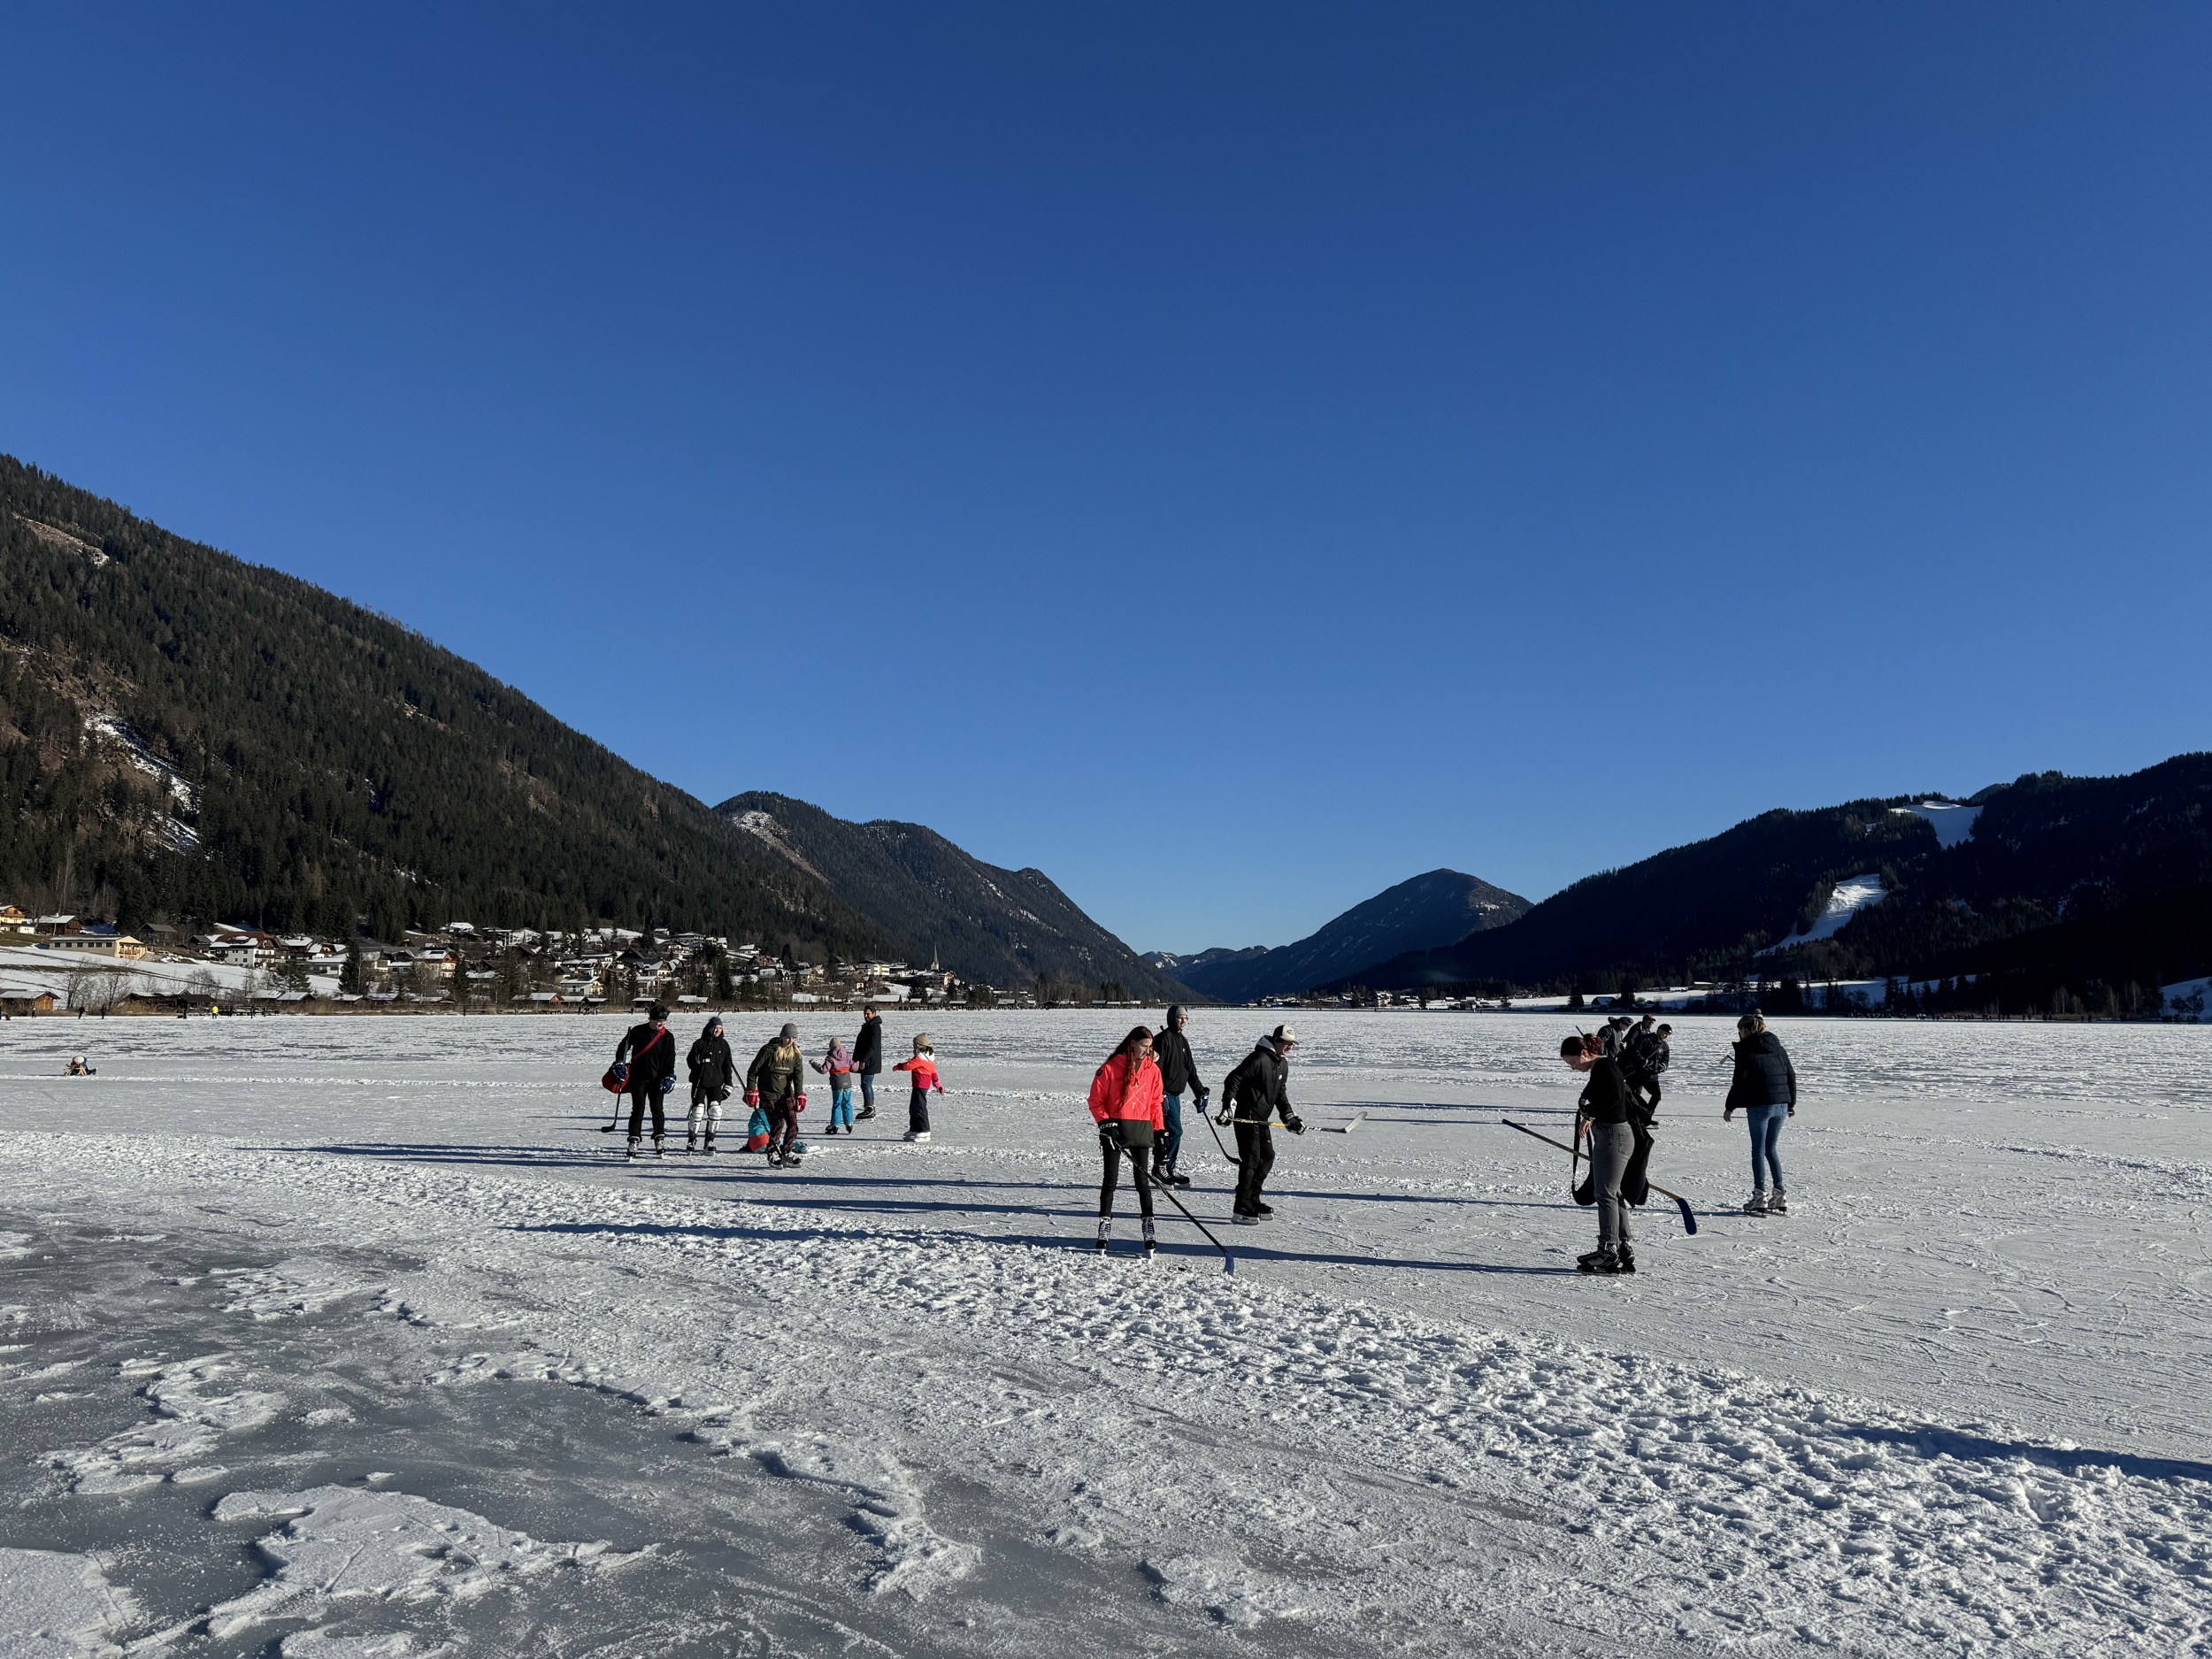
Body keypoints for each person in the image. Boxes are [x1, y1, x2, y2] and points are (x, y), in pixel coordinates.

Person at [1562, 1033, 1636, 1275]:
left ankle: (1608, 1249)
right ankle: (1623, 1245)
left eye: (1572, 1062)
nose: (1573, 1068)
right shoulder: (1602, 1067)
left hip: (1614, 1136)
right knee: (1614, 1193)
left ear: (1584, 1054)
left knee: (1605, 1193)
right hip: (1613, 1135)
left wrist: (1591, 1116)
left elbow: (1616, 1097)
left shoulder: (1604, 1066)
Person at [1088, 1025, 1164, 1255]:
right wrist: (1105, 1123)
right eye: (1144, 1046)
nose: (1147, 1051)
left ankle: (1148, 1226)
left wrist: (1160, 1132)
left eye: (1150, 1047)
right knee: (1110, 1180)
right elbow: (1095, 1100)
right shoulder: (1111, 1068)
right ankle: (1104, 1227)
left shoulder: (1153, 1070)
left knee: (1142, 1182)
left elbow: (1155, 1103)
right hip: (1115, 1129)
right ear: (1132, 1043)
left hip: (1140, 1129)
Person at [1219, 1025, 1302, 1225]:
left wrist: (1289, 1117)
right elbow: (1234, 1078)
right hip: (1246, 1116)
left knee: (1267, 1156)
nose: (1289, 1047)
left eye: (1292, 1044)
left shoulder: (1282, 1064)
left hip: (1262, 1118)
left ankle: (1253, 1199)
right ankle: (1242, 1205)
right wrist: (1229, 1104)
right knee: (1252, 1158)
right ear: (1276, 1040)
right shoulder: (1259, 1059)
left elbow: (1280, 1093)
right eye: (1286, 1042)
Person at [1724, 1010, 1797, 1215]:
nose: (1739, 1035)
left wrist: (1730, 1106)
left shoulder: (1746, 1049)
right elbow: (1791, 1075)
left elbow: (1739, 1081)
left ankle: (1760, 1196)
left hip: (1760, 1105)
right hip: (1781, 1105)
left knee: (1758, 1150)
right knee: (1770, 1150)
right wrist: (1791, 1102)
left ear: (1745, 1030)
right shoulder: (1778, 1047)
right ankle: (1779, 1194)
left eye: (1739, 1030)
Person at [1150, 1004, 1209, 1187]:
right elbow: (1155, 1072)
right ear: (1171, 1018)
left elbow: (1190, 1070)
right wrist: (1160, 1095)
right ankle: (1159, 1167)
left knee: (1173, 1132)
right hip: (1164, 1096)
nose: (1183, 1021)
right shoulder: (1162, 1040)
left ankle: (1168, 1168)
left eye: (1186, 1018)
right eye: (1180, 1017)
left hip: (1175, 1095)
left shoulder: (1182, 1041)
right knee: (1173, 1132)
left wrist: (1200, 1092)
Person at [613, 1003, 677, 1159]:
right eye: (658, 1021)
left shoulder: (667, 1036)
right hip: (638, 1078)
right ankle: (634, 1140)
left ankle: (659, 1138)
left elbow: (670, 1059)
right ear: (651, 1019)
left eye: (664, 1021)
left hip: (658, 1079)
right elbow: (623, 1047)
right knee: (638, 1109)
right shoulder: (637, 1031)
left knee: (657, 1109)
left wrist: (670, 1076)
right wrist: (620, 1062)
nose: (661, 1024)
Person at [745, 1022, 810, 1167]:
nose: (791, 1041)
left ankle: (786, 1151)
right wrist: (751, 1090)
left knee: (793, 1124)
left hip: (786, 1095)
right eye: (788, 1038)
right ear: (782, 1037)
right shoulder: (768, 1050)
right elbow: (753, 1072)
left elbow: (798, 1077)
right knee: (778, 1123)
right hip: (768, 1095)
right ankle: (772, 1152)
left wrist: (800, 1094)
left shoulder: (796, 1054)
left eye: (794, 1038)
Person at [685, 1016, 736, 1154]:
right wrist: (700, 1058)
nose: (718, 1030)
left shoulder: (724, 1045)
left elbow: (728, 1066)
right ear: (709, 1028)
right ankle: (692, 1139)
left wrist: (728, 1085)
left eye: (720, 1028)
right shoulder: (699, 1043)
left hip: (716, 1084)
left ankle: (709, 1141)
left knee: (715, 1111)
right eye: (715, 1028)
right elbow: (690, 1062)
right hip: (700, 1083)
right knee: (698, 1111)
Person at [894, 1034, 943, 1141]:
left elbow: (909, 1065)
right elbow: (933, 1072)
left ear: (920, 1045)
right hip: (919, 1085)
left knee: (920, 1107)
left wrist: (899, 1066)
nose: (913, 1046)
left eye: (915, 1044)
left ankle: (925, 1130)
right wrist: (937, 1084)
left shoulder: (920, 1058)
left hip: (921, 1085)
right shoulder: (928, 1057)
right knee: (914, 1107)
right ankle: (915, 1128)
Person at [810, 1037, 857, 1134]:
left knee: (837, 1104)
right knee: (847, 1103)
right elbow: (854, 1067)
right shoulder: (847, 1056)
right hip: (847, 1083)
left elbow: (823, 1070)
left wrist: (814, 1064)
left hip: (837, 1084)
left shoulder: (830, 1058)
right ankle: (849, 1123)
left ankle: (835, 1125)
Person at [1624, 1019, 1671, 1115]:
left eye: (1668, 1034)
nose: (1666, 1036)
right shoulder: (1646, 1039)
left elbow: (1665, 1060)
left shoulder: (1665, 1046)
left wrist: (1662, 1067)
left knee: (1657, 1096)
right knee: (1630, 1093)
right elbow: (1635, 1051)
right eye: (1665, 1033)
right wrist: (1644, 1062)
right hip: (1638, 1073)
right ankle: (1637, 1114)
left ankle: (1647, 1116)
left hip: (1652, 1076)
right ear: (1659, 1031)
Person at [852, 1009, 884, 1121]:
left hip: (870, 1061)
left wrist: (864, 1059)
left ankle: (869, 1108)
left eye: (868, 1013)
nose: (866, 1015)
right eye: (865, 1013)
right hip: (867, 1060)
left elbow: (873, 1046)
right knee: (865, 1084)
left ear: (874, 1014)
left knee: (866, 1084)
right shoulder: (869, 1025)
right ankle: (869, 1107)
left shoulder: (874, 1027)